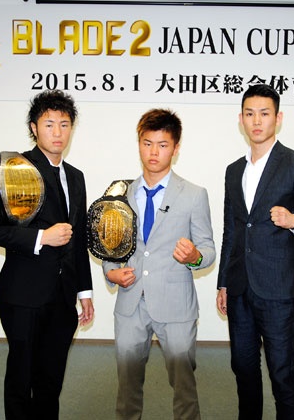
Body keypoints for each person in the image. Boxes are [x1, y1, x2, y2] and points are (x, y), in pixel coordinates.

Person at [0, 89, 94, 419]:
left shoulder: (76, 177)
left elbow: (78, 238)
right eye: (49, 124)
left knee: (51, 380)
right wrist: (41, 237)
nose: (57, 132)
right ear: (34, 128)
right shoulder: (15, 169)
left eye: (64, 124)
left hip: (63, 297)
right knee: (21, 378)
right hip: (23, 294)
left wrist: (84, 292)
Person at [216, 84, 294, 419]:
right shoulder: (233, 170)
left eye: (264, 114)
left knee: (282, 373)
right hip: (239, 287)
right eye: (250, 114)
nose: (257, 121)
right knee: (243, 368)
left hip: (277, 288)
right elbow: (232, 229)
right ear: (240, 119)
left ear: (278, 118)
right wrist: (223, 282)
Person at [102, 109, 215, 420]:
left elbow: (208, 249)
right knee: (127, 387)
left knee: (184, 387)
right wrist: (111, 272)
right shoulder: (120, 193)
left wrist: (195, 257)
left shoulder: (194, 195)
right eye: (147, 143)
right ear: (139, 144)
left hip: (176, 305)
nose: (154, 152)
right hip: (130, 302)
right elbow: (110, 245)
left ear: (175, 148)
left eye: (163, 145)